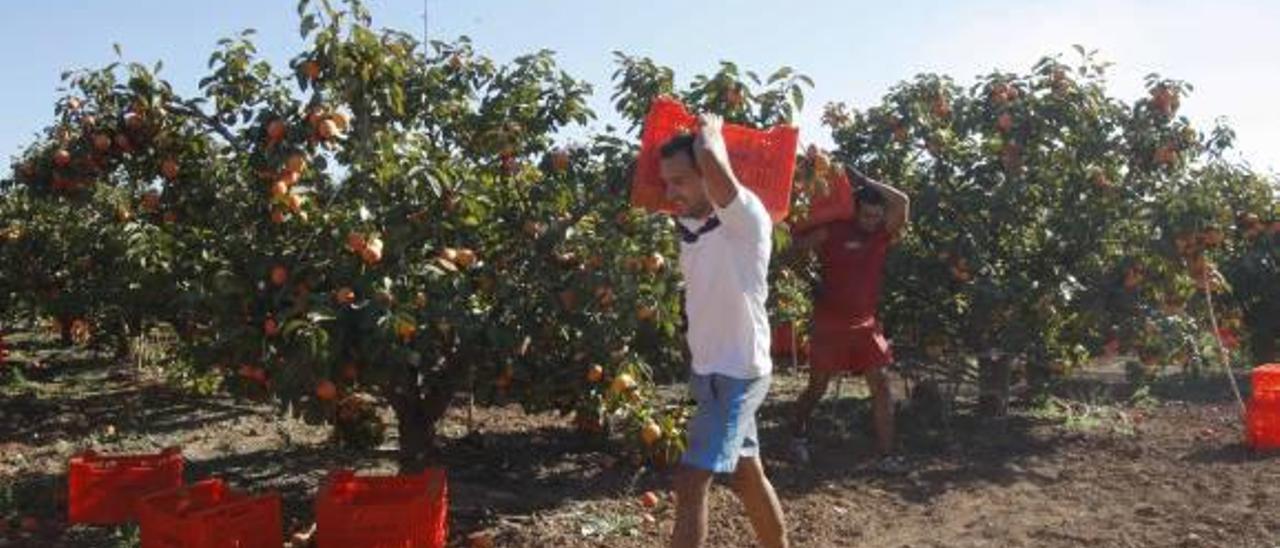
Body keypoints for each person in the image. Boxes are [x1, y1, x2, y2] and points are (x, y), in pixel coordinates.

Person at [659, 114, 788, 548]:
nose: (670, 192)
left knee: (692, 481)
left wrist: (710, 133)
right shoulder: (692, 228)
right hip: (709, 370)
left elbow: (714, 161)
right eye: (667, 182)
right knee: (748, 476)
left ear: (708, 177)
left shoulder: (745, 218)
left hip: (738, 373)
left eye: (679, 181)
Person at [783, 166, 909, 470]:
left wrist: (866, 181)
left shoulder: (881, 235)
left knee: (881, 384)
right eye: (866, 215)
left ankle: (887, 456)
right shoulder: (834, 231)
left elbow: (902, 202)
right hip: (830, 322)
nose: (871, 221)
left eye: (877, 216)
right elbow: (791, 249)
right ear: (855, 211)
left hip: (865, 323)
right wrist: (809, 277)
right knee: (818, 387)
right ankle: (796, 434)